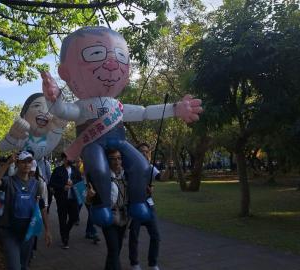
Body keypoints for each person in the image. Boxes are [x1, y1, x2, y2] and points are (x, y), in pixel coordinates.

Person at [41, 26, 203, 226]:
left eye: (119, 55)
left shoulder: (117, 105)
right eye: (96, 53)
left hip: (119, 141)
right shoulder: (81, 106)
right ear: (65, 72)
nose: (111, 63)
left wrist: (175, 108)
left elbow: (144, 112)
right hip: (92, 145)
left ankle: (137, 202)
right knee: (99, 170)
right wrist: (53, 98)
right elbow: (63, 111)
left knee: (141, 166)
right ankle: (102, 206)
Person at [0, 151, 52, 270]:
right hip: (9, 232)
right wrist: (7, 164)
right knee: (14, 267)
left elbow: (42, 207)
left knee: (24, 265)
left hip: (28, 233)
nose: (27, 164)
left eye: (29, 161)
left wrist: (48, 230)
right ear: (17, 164)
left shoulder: (36, 184)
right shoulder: (9, 181)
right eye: (23, 162)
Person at [86, 148, 129, 270]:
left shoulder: (127, 175)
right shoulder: (101, 177)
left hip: (124, 217)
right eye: (113, 159)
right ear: (107, 160)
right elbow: (88, 201)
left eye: (119, 158)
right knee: (114, 249)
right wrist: (90, 196)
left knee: (116, 250)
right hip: (109, 217)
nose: (117, 161)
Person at [129, 143, 161, 270]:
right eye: (141, 151)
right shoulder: (130, 167)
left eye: (147, 151)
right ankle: (134, 263)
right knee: (134, 236)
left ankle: (153, 263)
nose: (144, 153)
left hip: (148, 205)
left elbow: (161, 177)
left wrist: (170, 168)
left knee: (156, 236)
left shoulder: (150, 167)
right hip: (135, 205)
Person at [49, 152, 82, 249]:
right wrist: (63, 187)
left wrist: (73, 183)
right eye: (68, 158)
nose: (70, 159)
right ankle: (65, 239)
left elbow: (80, 182)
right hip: (62, 199)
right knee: (62, 219)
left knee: (74, 217)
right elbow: (52, 183)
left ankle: (66, 231)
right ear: (63, 159)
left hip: (73, 198)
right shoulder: (58, 170)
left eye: (71, 157)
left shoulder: (75, 170)